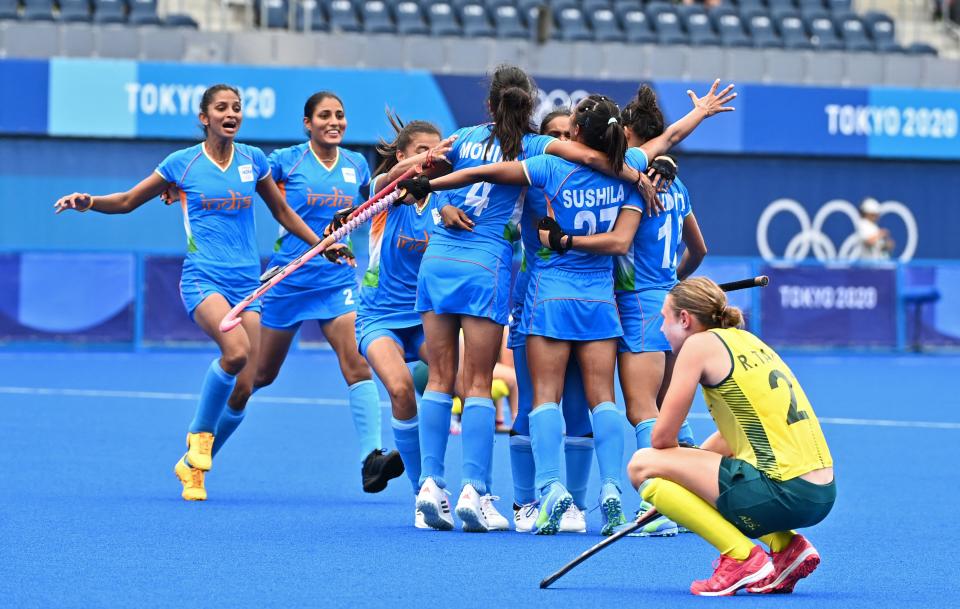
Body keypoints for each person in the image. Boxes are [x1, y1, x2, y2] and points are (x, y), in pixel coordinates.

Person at [406, 65, 648, 533]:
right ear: (530, 107)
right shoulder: (539, 149)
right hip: (490, 266)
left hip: (438, 262)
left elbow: (420, 171)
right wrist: (638, 173)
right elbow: (597, 160)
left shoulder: (459, 139)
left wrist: (434, 195)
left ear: (489, 104)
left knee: (439, 378)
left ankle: (430, 487)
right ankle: (476, 491)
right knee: (478, 382)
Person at [54, 84, 323, 501]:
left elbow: (283, 212)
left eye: (237, 108)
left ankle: (193, 467)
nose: (231, 113)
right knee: (235, 353)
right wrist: (89, 202)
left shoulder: (254, 161)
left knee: (246, 386)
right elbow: (126, 201)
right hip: (204, 279)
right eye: (221, 108)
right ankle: (199, 436)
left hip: (246, 285)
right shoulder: (183, 163)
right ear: (205, 117)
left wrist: (321, 243)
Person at [538, 81, 730, 535]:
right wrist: (674, 284)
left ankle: (657, 511)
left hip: (639, 306)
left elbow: (618, 241)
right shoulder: (676, 184)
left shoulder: (634, 184)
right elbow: (698, 248)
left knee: (643, 410)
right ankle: (689, 505)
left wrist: (562, 241)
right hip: (671, 306)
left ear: (625, 131)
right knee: (669, 411)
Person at [220, 91, 406, 494]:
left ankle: (371, 459)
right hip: (287, 282)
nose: (334, 121)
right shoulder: (287, 161)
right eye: (324, 116)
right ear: (308, 123)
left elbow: (378, 195)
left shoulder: (356, 164)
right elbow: (239, 177)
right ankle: (203, 449)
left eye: (340, 115)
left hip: (335, 282)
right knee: (257, 378)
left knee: (356, 364)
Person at [627, 277, 835, 596]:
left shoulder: (698, 346)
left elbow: (662, 441)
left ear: (685, 319)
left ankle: (740, 557)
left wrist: (672, 483)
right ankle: (786, 547)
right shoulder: (748, 342)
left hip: (784, 492)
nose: (661, 330)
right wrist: (684, 484)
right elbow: (729, 439)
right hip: (820, 494)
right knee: (674, 472)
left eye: (664, 319)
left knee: (642, 465)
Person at [353, 113, 452, 526]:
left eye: (437, 150)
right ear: (402, 155)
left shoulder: (447, 196)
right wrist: (411, 170)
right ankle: (422, 493)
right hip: (379, 317)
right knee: (399, 391)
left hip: (427, 316)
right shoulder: (385, 193)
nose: (430, 159)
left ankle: (431, 467)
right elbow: (391, 176)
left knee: (462, 384)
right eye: (420, 152)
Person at [510, 107, 594, 535]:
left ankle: (574, 505)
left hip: (589, 305)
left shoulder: (601, 182)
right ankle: (526, 502)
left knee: (579, 407)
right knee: (530, 402)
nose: (563, 142)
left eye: (569, 134)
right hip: (534, 301)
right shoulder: (528, 183)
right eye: (553, 135)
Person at [857, 197, 894, 261]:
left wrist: (886, 246)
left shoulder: (874, 227)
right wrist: (880, 234)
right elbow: (868, 241)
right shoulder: (862, 224)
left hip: (879, 265)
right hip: (869, 267)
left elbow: (878, 247)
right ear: (868, 213)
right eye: (874, 214)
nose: (877, 216)